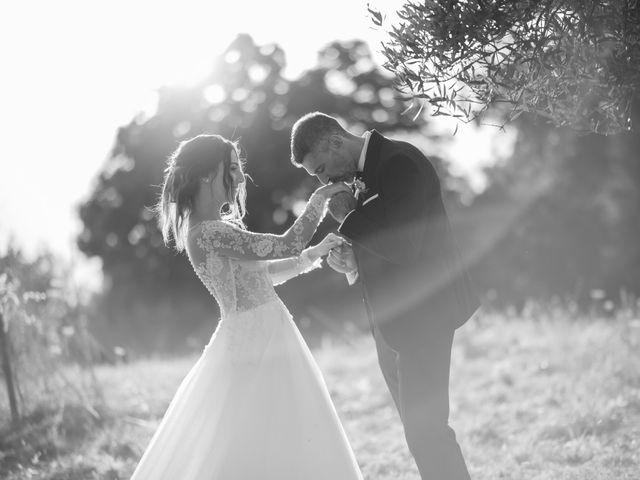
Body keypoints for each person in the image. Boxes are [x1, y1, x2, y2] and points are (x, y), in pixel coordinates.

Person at [129, 134, 363, 479]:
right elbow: (287, 243)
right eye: (233, 169)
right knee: (260, 437)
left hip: (268, 330)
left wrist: (311, 257)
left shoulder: (216, 229)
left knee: (284, 433)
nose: (240, 178)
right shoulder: (207, 233)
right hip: (255, 341)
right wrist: (319, 199)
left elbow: (263, 276)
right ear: (209, 173)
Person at [290, 112, 480, 480]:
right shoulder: (365, 173)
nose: (325, 180)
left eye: (322, 169)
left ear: (334, 141)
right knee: (417, 433)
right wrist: (352, 257)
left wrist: (348, 216)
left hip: (425, 313)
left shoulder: (399, 162)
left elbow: (405, 246)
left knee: (427, 432)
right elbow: (382, 239)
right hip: (389, 322)